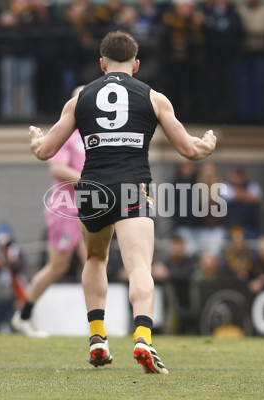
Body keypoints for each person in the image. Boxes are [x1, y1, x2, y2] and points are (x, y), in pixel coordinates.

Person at [29, 31, 216, 374]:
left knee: (96, 257)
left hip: (91, 188)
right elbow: (190, 150)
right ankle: (143, 337)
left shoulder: (80, 98)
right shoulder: (154, 97)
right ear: (137, 64)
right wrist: (208, 144)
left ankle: (97, 338)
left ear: (102, 64)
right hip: (132, 186)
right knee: (139, 266)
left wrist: (36, 140)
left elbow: (45, 152)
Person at [12, 86, 87, 338]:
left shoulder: (92, 134)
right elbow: (57, 168)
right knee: (58, 266)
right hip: (66, 209)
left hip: (87, 208)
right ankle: (24, 315)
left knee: (94, 262)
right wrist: (88, 179)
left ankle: (97, 325)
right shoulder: (66, 132)